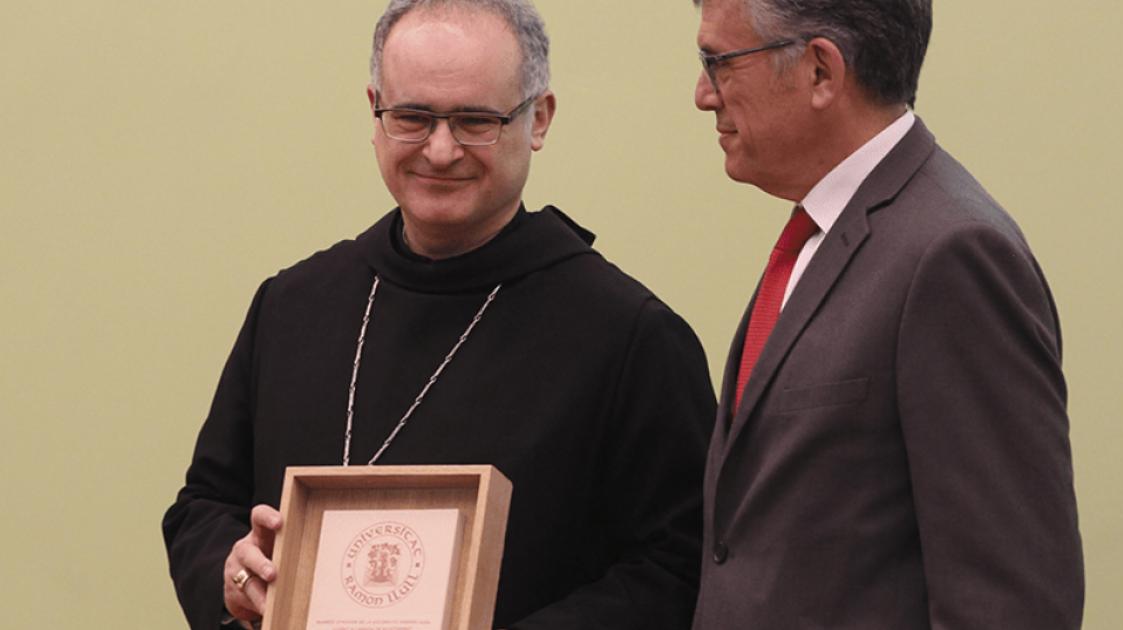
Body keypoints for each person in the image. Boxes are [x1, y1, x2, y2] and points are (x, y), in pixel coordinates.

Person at [162, 1, 716, 628]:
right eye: (413, 117)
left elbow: (679, 566)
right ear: (376, 112)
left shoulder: (631, 336)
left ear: (539, 119)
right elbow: (204, 505)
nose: (441, 149)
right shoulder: (292, 305)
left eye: (476, 120)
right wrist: (232, 572)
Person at [688, 0, 1085, 628]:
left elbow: (1009, 601)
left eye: (719, 62)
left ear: (821, 71)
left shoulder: (952, 255)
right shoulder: (826, 235)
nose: (703, 95)